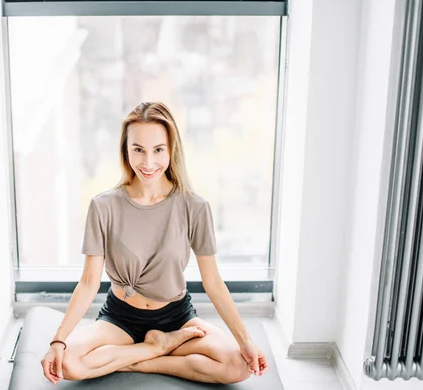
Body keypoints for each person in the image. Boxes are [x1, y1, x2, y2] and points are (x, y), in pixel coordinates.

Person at [41, 102, 268, 385]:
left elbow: (213, 282)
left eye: (158, 150)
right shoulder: (103, 206)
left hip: (176, 318)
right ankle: (154, 348)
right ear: (126, 150)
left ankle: (145, 359)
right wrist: (58, 342)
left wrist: (245, 340)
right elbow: (88, 282)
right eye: (138, 149)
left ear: (172, 150)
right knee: (70, 364)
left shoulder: (194, 206)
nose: (148, 163)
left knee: (238, 366)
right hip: (119, 318)